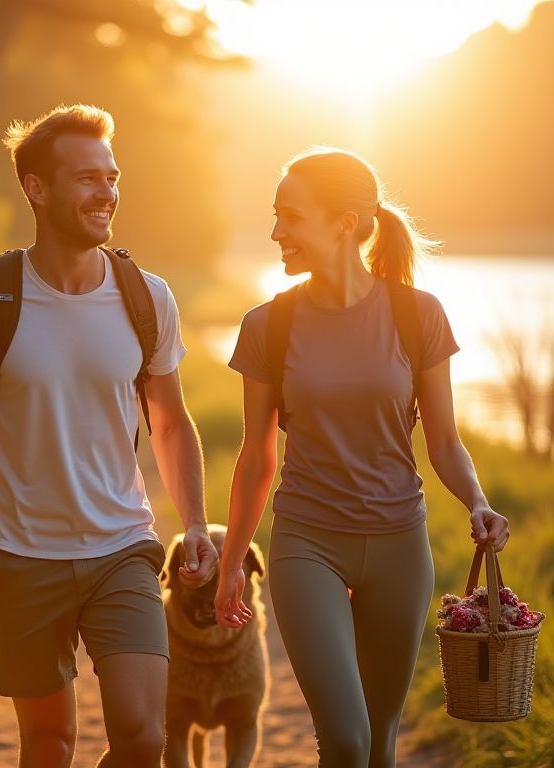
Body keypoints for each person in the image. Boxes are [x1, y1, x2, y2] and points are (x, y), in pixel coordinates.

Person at [0, 104, 217, 768]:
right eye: (86, 178)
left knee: (142, 738)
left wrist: (193, 520)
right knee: (49, 744)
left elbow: (169, 420)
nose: (105, 192)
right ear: (37, 189)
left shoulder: (146, 296)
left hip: (123, 548)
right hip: (19, 558)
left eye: (112, 176)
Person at [214, 147, 511, 768]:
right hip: (307, 543)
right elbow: (257, 457)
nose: (276, 232)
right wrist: (233, 561)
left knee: (380, 743)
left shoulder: (416, 314)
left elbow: (444, 441)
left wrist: (478, 502)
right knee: (345, 740)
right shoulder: (269, 325)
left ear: (345, 222)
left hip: (401, 543)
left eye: (289, 216)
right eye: (275, 217)